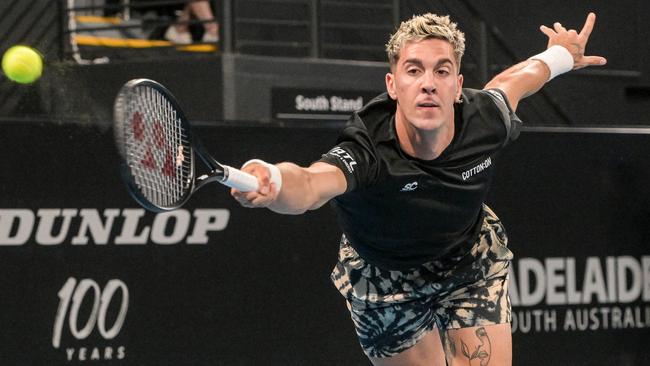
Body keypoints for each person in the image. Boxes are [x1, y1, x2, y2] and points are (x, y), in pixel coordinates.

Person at [231, 12, 606, 366]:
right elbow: (311, 184)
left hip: (468, 260)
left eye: (442, 70)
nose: (428, 82)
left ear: (458, 87)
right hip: (382, 275)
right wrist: (274, 180)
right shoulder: (367, 148)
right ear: (392, 84)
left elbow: (518, 79)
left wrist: (559, 54)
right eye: (414, 70)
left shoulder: (484, 119)